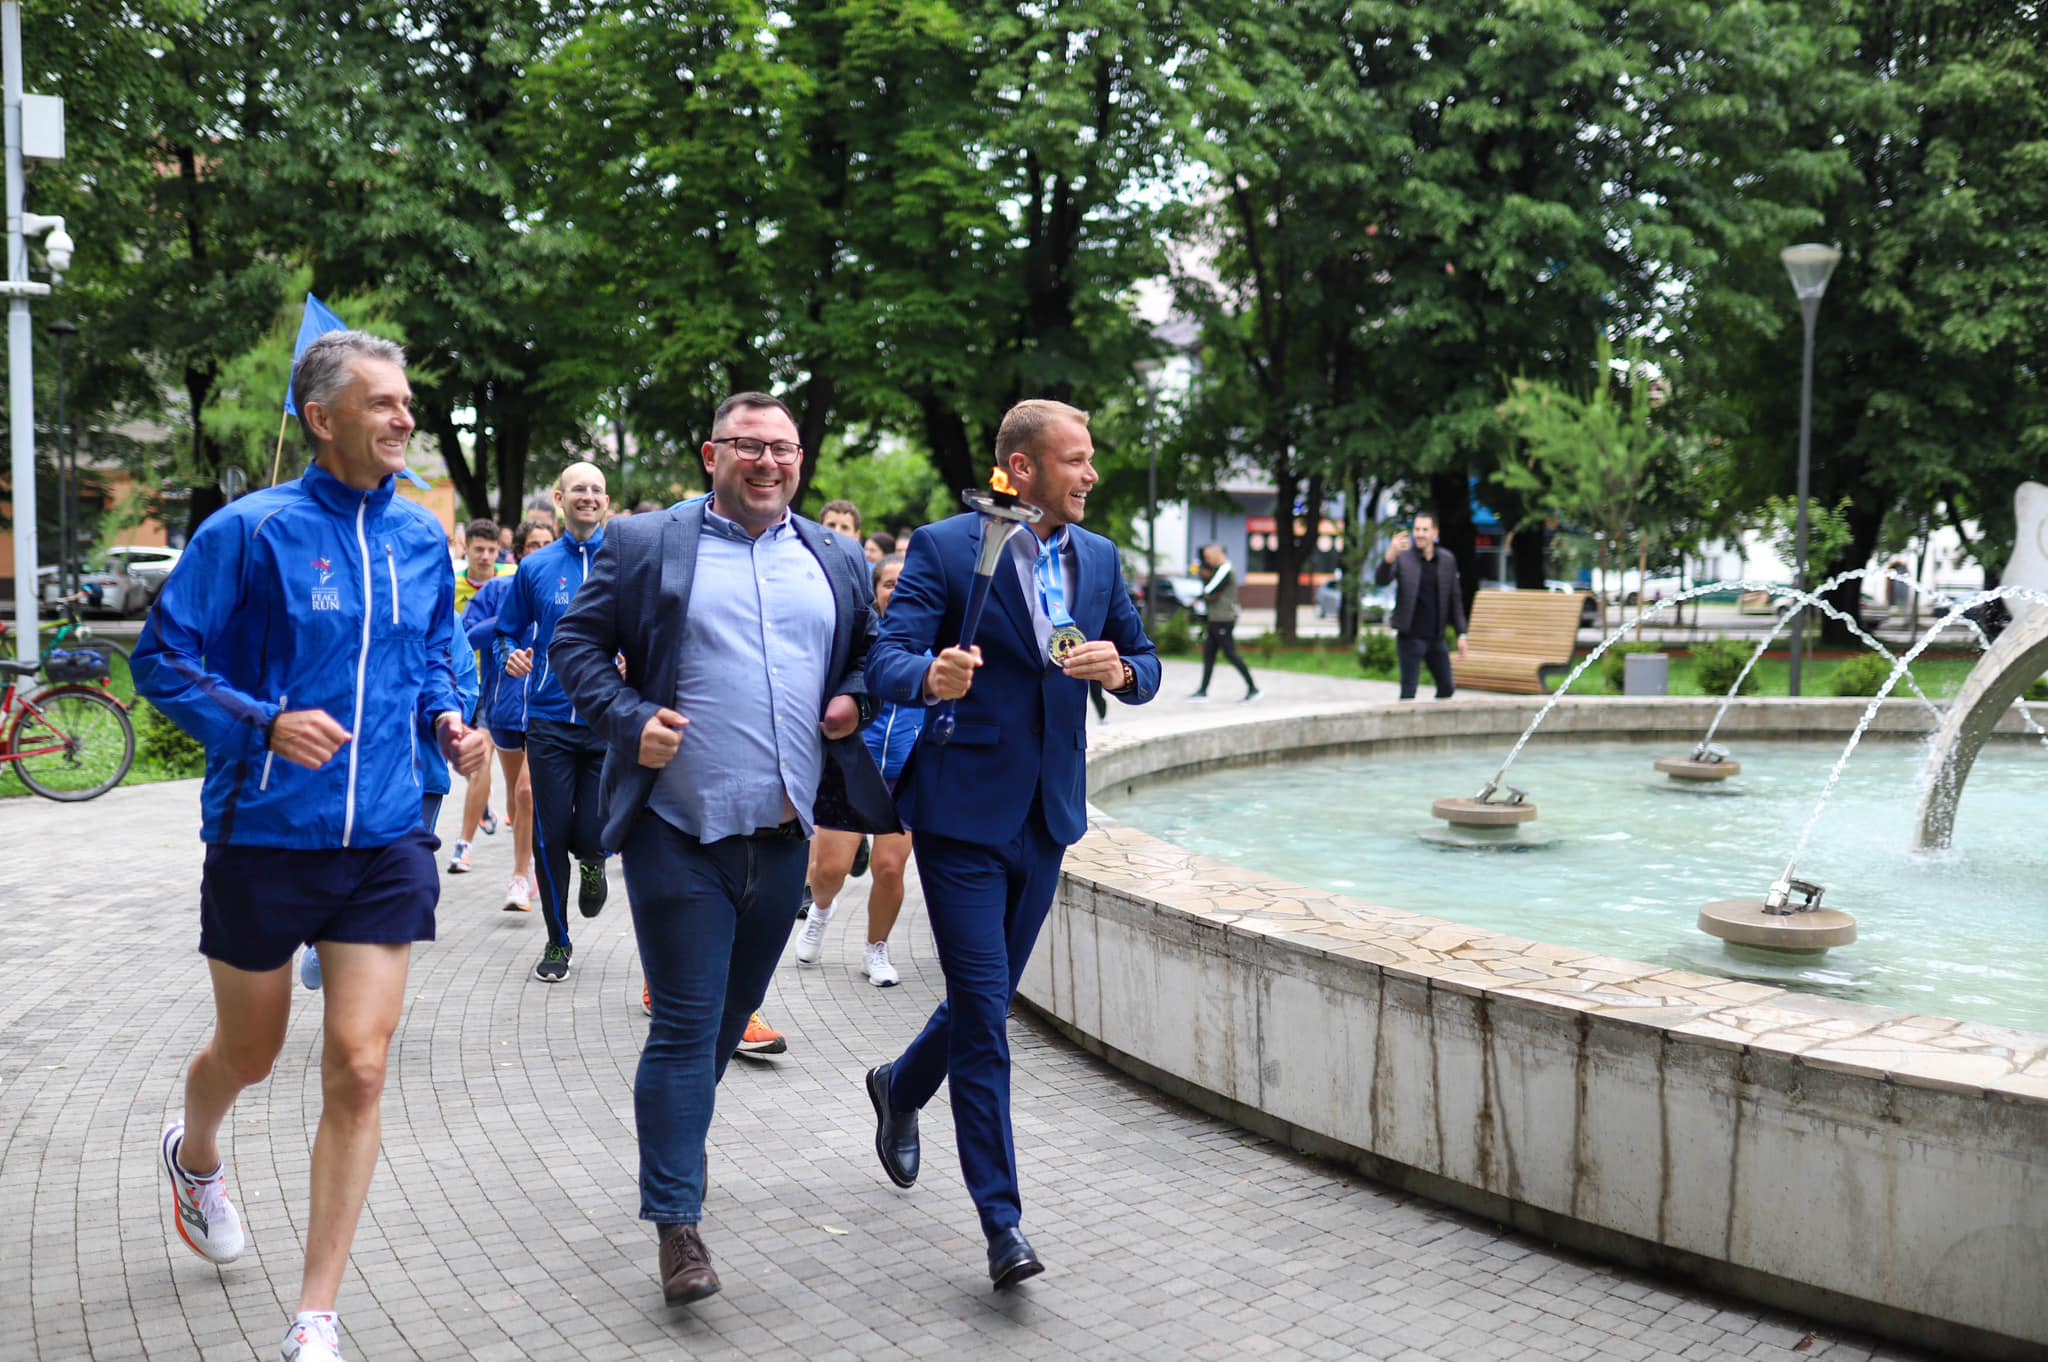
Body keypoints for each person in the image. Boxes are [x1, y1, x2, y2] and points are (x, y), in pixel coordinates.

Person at [131, 330, 489, 1362]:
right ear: (322, 418)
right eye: (382, 403)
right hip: (265, 834)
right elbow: (162, 661)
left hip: (387, 835)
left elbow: (432, 654)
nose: (404, 418)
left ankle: (315, 1314)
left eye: (407, 402)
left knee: (361, 1067)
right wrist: (262, 723)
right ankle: (196, 1152)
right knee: (251, 1052)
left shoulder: (420, 536)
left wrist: (448, 719)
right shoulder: (250, 532)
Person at [550, 390, 890, 1306]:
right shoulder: (644, 543)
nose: (769, 462)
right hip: (677, 830)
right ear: (713, 455)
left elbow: (869, 651)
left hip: (782, 838)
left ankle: (675, 1153)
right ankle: (677, 1224)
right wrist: (628, 719)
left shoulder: (835, 556)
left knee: (729, 1021)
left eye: (784, 448)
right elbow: (576, 647)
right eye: (750, 446)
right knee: (685, 1024)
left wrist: (857, 697)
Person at [862, 398, 1160, 1290]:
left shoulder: (1099, 557)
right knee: (987, 1019)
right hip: (960, 815)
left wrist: (1121, 669)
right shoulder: (947, 547)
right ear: (1022, 469)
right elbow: (887, 661)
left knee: (978, 1002)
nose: (1091, 474)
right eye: (1076, 460)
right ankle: (1003, 1222)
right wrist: (930, 676)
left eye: (1091, 458)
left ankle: (899, 1086)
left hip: (1049, 818)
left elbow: (1146, 665)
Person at [496, 464, 613, 981]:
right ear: (560, 499)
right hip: (547, 719)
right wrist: (510, 655)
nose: (588, 497)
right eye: (578, 489)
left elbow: (650, 629)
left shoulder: (624, 561)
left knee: (590, 831)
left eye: (597, 489)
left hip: (606, 720)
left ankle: (593, 861)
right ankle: (557, 942)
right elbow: (506, 631)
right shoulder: (537, 566)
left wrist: (634, 661)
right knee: (549, 836)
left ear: (606, 501)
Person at [794, 552, 919, 986]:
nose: (897, 591)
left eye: (906, 583)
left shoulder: (934, 637)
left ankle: (875, 950)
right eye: (889, 583)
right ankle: (821, 911)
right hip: (853, 767)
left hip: (906, 773)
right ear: (875, 590)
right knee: (830, 870)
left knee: (890, 868)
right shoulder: (860, 637)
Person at [465, 517, 555, 912]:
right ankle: (529, 861)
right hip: (504, 709)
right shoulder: (498, 590)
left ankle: (519, 876)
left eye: (547, 544)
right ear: (518, 553)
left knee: (526, 791)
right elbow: (468, 635)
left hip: (547, 708)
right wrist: (509, 618)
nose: (540, 552)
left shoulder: (564, 589)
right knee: (517, 798)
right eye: (532, 545)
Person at [448, 518, 512, 872]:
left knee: (481, 753)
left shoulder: (513, 579)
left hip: (495, 682)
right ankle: (482, 801)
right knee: (462, 756)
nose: (486, 557)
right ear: (466, 549)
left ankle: (464, 844)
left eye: (491, 550)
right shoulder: (451, 584)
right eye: (479, 550)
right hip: (457, 682)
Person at [1373, 510, 1468, 700]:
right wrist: (1391, 555)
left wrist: (1462, 634)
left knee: (1447, 688)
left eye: (1425, 529)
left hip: (1436, 637)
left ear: (1435, 533)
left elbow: (1455, 599)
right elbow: (1381, 580)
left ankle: (1436, 719)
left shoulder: (1447, 560)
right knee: (1409, 691)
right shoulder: (1403, 557)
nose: (1420, 534)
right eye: (1416, 529)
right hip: (1410, 636)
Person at [1187, 542, 1259, 703]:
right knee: (1209, 655)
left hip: (1223, 619)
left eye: (1208, 557)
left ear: (1217, 554)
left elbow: (1210, 589)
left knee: (1231, 654)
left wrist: (1201, 581)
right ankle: (1203, 691)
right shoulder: (1219, 570)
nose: (1207, 560)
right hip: (1215, 619)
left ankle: (1253, 689)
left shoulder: (1225, 569)